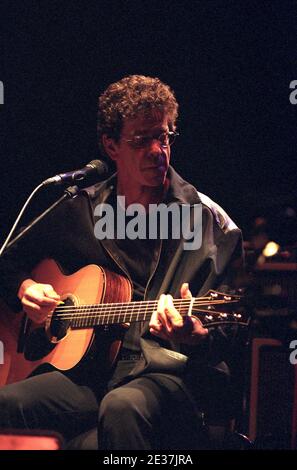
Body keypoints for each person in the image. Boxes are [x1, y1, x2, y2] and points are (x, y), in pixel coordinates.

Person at [0, 75, 243, 450]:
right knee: (9, 404)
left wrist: (194, 335)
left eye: (163, 137)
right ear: (111, 146)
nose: (157, 151)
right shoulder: (79, 207)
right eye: (141, 140)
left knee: (121, 406)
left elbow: (233, 327)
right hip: (89, 372)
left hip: (168, 371)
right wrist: (26, 289)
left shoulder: (209, 222)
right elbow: (8, 260)